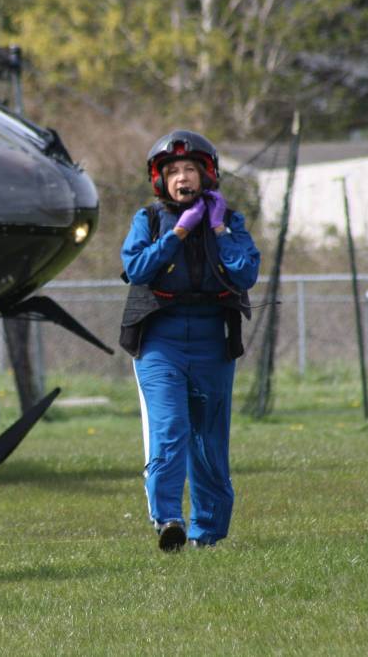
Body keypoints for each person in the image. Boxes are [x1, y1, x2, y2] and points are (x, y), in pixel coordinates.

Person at [119, 130, 260, 553]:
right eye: (174, 171)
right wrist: (178, 233)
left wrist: (216, 228)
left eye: (190, 170)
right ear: (161, 180)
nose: (183, 177)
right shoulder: (147, 220)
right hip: (161, 340)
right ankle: (167, 520)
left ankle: (209, 535)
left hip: (212, 342)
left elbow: (244, 272)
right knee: (171, 429)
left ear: (206, 175)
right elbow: (137, 267)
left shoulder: (229, 222)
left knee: (209, 440)